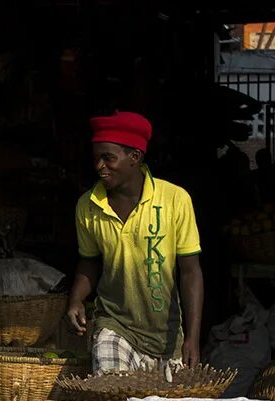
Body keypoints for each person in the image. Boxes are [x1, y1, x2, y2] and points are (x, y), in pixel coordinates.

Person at [66, 111, 204, 372]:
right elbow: (90, 262)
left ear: (135, 157)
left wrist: (193, 338)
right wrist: (76, 300)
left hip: (166, 336)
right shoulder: (88, 205)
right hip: (115, 325)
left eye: (108, 158)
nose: (99, 166)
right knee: (113, 399)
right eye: (96, 158)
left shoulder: (175, 199)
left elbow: (190, 272)